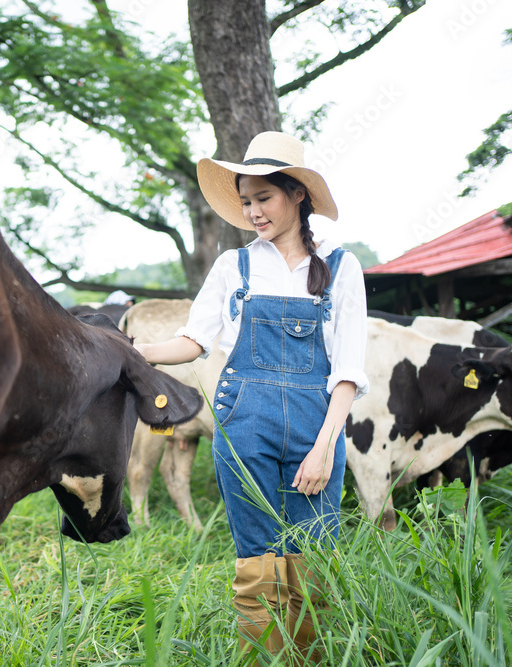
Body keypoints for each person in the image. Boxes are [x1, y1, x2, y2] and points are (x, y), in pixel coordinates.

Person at [135, 131, 368, 659]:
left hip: (318, 422)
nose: (252, 211)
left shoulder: (340, 266)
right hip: (243, 421)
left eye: (263, 197)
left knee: (314, 554)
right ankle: (263, 655)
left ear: (297, 194)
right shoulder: (233, 266)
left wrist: (325, 445)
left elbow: (349, 369)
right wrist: (133, 351)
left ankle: (307, 655)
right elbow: (192, 342)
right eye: (245, 201)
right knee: (256, 556)